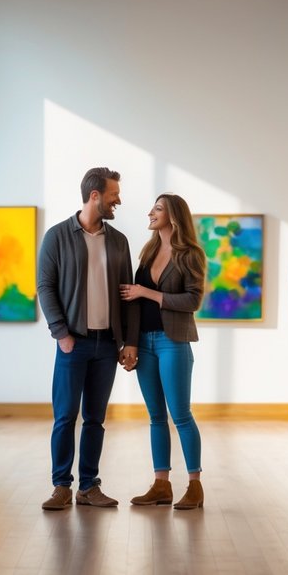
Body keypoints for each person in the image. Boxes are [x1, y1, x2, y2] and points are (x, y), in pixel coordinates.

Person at [37, 167, 139, 511]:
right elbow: (44, 287)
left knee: (95, 418)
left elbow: (127, 296)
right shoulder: (56, 237)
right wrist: (60, 333)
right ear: (95, 195)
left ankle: (89, 486)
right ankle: (61, 486)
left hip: (107, 345)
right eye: (114, 194)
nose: (118, 200)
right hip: (73, 343)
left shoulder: (119, 241)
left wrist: (128, 341)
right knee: (65, 416)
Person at [119, 193, 207, 510]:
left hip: (174, 341)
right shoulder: (148, 252)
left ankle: (195, 486)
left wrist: (146, 291)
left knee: (180, 416)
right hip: (145, 342)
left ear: (173, 216)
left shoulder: (190, 255)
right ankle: (161, 485)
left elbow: (193, 300)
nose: (151, 213)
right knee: (156, 417)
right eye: (153, 208)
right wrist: (129, 342)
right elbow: (133, 303)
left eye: (158, 209)